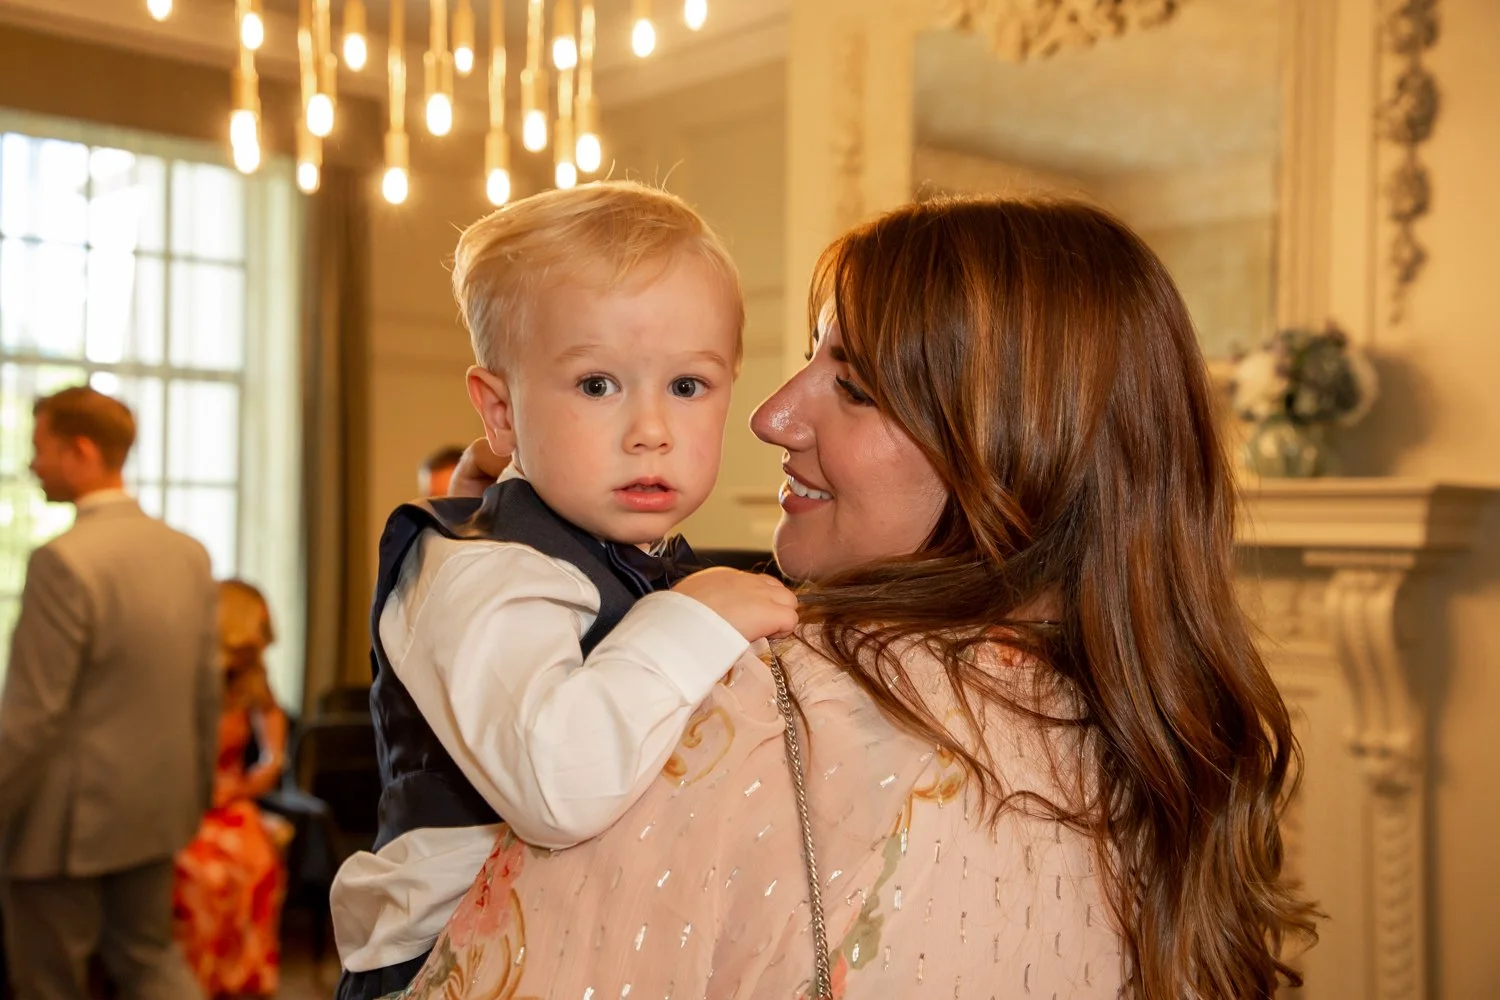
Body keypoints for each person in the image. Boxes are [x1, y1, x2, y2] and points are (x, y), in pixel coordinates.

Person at [397, 197, 1318, 1000]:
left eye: (856, 388)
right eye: (809, 358)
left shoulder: (766, 705)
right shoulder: (1158, 750)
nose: (769, 417)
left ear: (1012, 448)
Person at [330, 181, 799, 1000]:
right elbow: (558, 785)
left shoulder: (627, 556)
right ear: (501, 412)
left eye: (687, 386)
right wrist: (689, 618)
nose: (650, 430)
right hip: (447, 967)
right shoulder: (474, 572)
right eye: (596, 385)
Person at [0, 386, 218, 1000]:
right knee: (150, 961)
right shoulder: (188, 554)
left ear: (81, 452)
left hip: (60, 825)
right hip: (156, 807)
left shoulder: (61, 562)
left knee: (48, 982)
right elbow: (205, 691)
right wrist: (194, 794)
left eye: (39, 448)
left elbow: (33, 715)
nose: (32, 464)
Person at [172, 580, 289, 998]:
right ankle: (195, 981)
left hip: (230, 806)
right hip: (180, 808)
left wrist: (260, 773)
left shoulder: (251, 679)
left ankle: (243, 982)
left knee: (258, 864)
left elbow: (273, 738)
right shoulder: (183, 675)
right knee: (204, 876)